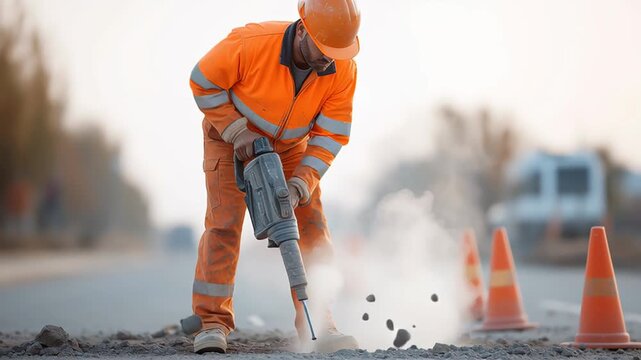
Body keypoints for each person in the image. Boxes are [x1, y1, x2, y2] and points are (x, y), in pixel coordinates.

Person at [189, 0, 360, 354]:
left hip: (291, 147)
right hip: (228, 139)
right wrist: (237, 132)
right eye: (323, 49)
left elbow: (331, 135)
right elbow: (202, 81)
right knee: (223, 225)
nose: (328, 59)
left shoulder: (342, 70)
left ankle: (318, 322)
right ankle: (211, 324)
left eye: (335, 52)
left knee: (312, 227)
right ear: (302, 30)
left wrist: (303, 181)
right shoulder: (251, 44)